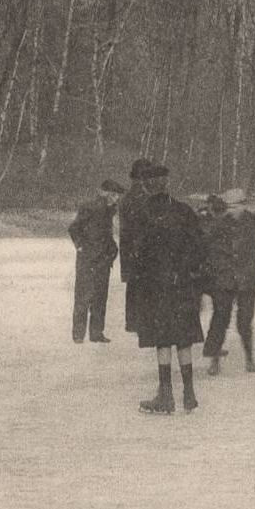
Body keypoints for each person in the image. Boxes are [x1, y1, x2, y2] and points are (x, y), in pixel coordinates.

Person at [135, 166, 209, 414]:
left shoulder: (143, 214)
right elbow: (200, 246)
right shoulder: (184, 211)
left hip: (157, 286)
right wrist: (186, 270)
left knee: (163, 341)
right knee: (184, 338)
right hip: (183, 285)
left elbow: (139, 254)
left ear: (148, 185)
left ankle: (165, 395)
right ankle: (189, 394)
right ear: (166, 184)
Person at [202, 188, 255, 374]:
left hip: (247, 278)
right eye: (235, 206)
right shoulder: (217, 224)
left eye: (240, 206)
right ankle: (215, 360)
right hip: (226, 279)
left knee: (244, 321)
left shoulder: (251, 220)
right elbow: (205, 244)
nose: (238, 210)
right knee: (221, 319)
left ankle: (248, 358)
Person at [69, 180, 124, 343]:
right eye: (115, 195)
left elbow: (106, 234)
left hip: (103, 260)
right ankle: (79, 335)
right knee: (83, 297)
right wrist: (80, 247)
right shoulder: (91, 207)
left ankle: (96, 333)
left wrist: (112, 250)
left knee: (100, 297)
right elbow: (74, 228)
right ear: (106, 193)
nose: (117, 199)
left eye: (118, 196)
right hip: (88, 259)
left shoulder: (109, 210)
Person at [118, 158, 154, 333]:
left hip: (129, 247)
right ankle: (141, 322)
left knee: (134, 286)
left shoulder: (127, 197)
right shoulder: (142, 197)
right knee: (143, 285)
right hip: (140, 247)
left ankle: (132, 322)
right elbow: (142, 224)